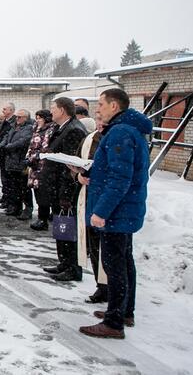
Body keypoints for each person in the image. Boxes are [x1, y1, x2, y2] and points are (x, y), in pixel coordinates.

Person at [79, 89, 152, 339]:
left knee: (115, 266)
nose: (97, 109)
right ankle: (124, 311)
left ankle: (114, 322)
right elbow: (112, 169)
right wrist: (90, 174)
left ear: (114, 105)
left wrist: (101, 211)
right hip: (124, 209)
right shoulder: (126, 129)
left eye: (100, 104)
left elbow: (120, 178)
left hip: (117, 212)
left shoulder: (121, 132)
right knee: (124, 261)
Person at [41, 97, 88, 282]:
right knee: (62, 228)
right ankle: (64, 262)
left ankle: (72, 267)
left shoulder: (74, 130)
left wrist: (66, 194)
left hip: (65, 189)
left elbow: (71, 165)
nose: (50, 112)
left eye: (53, 108)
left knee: (68, 229)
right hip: (56, 186)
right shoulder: (62, 127)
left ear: (62, 110)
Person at [70, 113, 108, 304]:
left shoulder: (114, 140)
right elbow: (77, 163)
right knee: (94, 246)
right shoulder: (89, 140)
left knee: (107, 248)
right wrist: (78, 176)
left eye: (103, 120)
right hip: (88, 196)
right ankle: (100, 286)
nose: (100, 124)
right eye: (98, 120)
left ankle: (111, 287)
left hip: (106, 200)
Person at [0, 109, 34, 217]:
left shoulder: (29, 128)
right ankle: (16, 207)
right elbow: (6, 137)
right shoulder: (14, 126)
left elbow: (23, 141)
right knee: (13, 186)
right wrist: (3, 144)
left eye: (20, 117)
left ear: (26, 118)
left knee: (23, 187)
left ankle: (27, 209)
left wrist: (9, 146)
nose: (17, 119)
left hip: (20, 161)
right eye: (17, 116)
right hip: (11, 161)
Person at [27, 110, 56, 231]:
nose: (37, 120)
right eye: (36, 117)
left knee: (44, 194)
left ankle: (43, 219)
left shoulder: (50, 130)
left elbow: (45, 148)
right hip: (34, 166)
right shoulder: (37, 129)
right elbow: (32, 145)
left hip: (43, 166)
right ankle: (41, 217)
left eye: (40, 118)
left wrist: (34, 157)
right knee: (38, 192)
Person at [0, 102, 17, 207]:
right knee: (4, 177)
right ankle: (5, 197)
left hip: (8, 153)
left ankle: (9, 200)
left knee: (9, 179)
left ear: (11, 110)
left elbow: (8, 137)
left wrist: (3, 146)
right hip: (2, 153)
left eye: (5, 109)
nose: (3, 111)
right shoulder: (5, 121)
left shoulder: (13, 122)